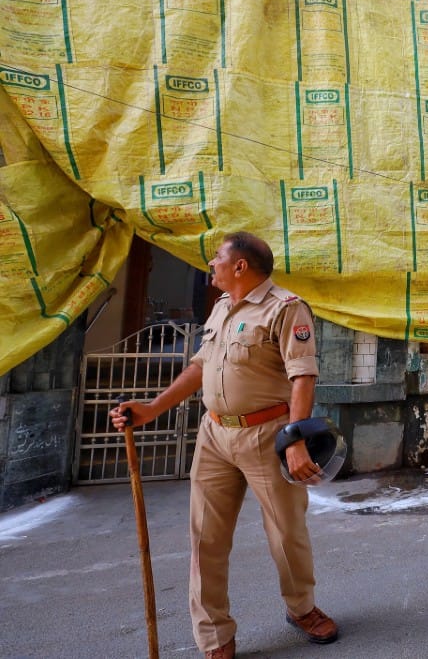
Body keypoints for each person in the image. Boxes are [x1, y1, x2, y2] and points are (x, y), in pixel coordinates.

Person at [110, 232, 338, 658]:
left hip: (267, 435)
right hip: (214, 435)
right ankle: (215, 636)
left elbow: (302, 376)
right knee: (205, 540)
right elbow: (201, 365)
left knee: (286, 534)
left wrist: (295, 440)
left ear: (240, 266)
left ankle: (302, 609)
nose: (211, 264)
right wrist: (152, 408)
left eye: (218, 258)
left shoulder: (286, 309)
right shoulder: (219, 309)